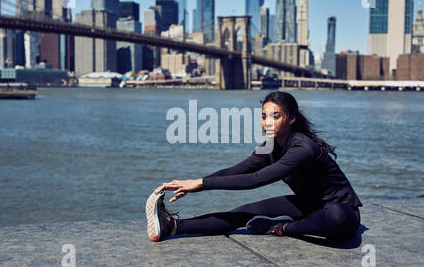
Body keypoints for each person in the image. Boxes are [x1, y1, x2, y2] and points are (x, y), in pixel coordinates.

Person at [146, 91, 362, 242]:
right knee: (242, 213)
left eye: (275, 116)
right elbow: (237, 171)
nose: (267, 122)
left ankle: (282, 228)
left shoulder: (303, 148)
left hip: (341, 212)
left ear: (292, 118)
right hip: (307, 205)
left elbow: (255, 179)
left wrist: (203, 184)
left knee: (336, 216)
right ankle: (172, 227)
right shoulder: (270, 146)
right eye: (263, 116)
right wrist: (195, 183)